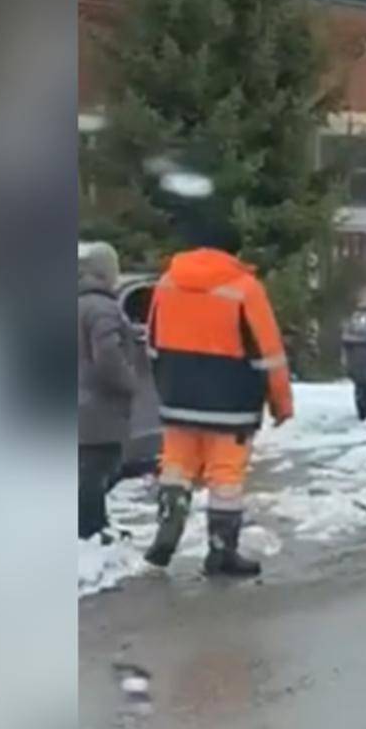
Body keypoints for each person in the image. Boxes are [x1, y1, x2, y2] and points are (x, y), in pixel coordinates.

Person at [143, 221, 294, 576]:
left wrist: (164, 386)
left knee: (176, 465)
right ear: (233, 251)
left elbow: (151, 342)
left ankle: (168, 527)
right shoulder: (245, 289)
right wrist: (281, 403)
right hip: (231, 402)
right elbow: (268, 353)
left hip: (177, 397)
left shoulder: (167, 283)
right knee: (225, 476)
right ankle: (222, 550)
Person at [78, 241, 141, 541]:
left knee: (93, 464)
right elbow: (108, 354)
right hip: (97, 402)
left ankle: (96, 523)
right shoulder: (102, 307)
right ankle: (88, 529)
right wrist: (128, 382)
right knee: (100, 465)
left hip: (80, 396)